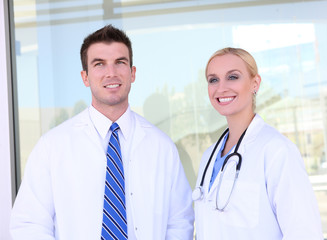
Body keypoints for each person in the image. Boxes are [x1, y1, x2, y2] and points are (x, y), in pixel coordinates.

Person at [10, 25, 194, 240]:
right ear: (85, 77)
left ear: (132, 73)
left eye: (120, 62)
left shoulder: (162, 147)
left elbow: (180, 223)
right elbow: (29, 224)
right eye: (99, 64)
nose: (111, 73)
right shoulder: (52, 146)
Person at [193, 47, 323, 239]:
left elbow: (305, 233)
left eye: (233, 77)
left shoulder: (276, 151)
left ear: (255, 83)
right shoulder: (209, 157)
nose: (221, 88)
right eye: (213, 80)